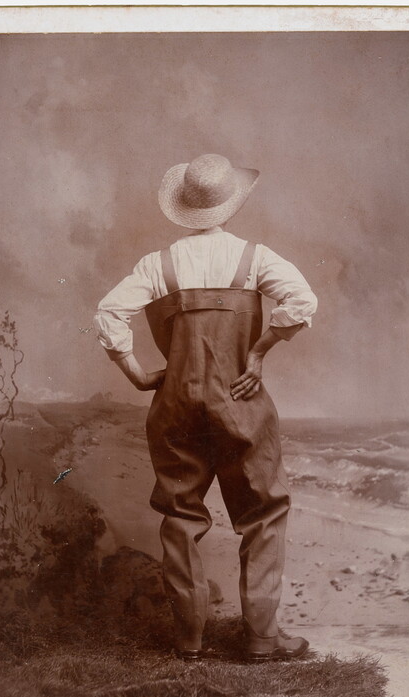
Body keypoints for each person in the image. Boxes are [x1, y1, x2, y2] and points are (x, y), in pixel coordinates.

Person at [94, 153, 318, 661]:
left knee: (180, 514)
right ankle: (261, 636)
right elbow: (302, 301)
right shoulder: (255, 259)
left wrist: (136, 374)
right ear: (230, 205)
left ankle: (188, 638)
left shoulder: (160, 265)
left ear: (184, 206)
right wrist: (258, 352)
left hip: (175, 404)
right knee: (263, 512)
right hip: (240, 399)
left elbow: (109, 312)